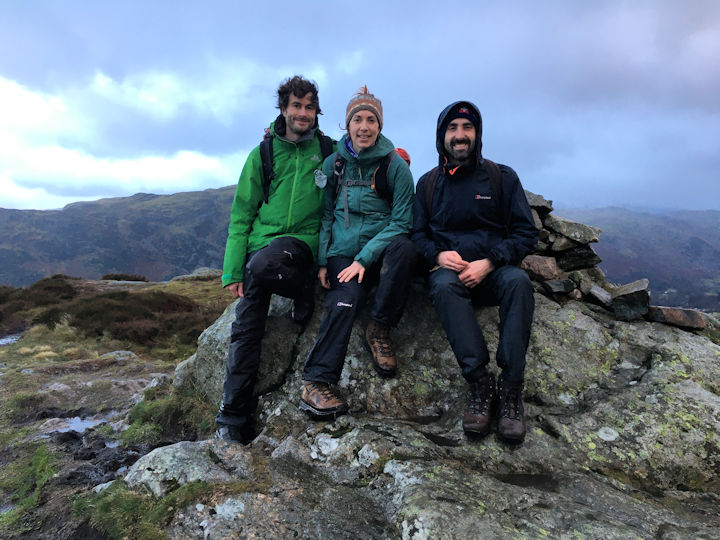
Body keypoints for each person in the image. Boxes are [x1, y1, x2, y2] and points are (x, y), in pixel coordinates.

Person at [216, 76, 335, 442]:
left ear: (316, 112)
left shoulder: (329, 151)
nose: (303, 113)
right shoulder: (263, 154)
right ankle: (232, 418)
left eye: (309, 106)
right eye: (296, 106)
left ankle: (302, 290)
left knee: (264, 267)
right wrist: (232, 270)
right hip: (260, 246)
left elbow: (365, 145)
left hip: (300, 244)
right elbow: (242, 213)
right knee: (247, 326)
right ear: (283, 109)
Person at [411, 101, 537, 443]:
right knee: (442, 285)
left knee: (519, 283)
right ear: (442, 137)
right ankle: (480, 385)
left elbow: (526, 234)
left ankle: (511, 389)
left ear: (477, 134)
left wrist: (491, 262)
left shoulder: (502, 177)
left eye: (467, 128)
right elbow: (416, 236)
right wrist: (437, 253)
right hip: (450, 276)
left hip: (493, 272)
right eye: (452, 129)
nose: (460, 136)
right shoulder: (427, 184)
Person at [300, 87, 415, 419]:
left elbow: (402, 221)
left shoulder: (395, 167)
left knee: (405, 250)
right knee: (346, 297)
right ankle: (316, 383)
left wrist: (365, 257)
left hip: (376, 256)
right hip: (341, 254)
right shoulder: (333, 164)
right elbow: (325, 214)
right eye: (357, 120)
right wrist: (324, 261)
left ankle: (378, 328)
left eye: (371, 120)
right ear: (346, 125)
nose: (364, 127)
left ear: (380, 126)